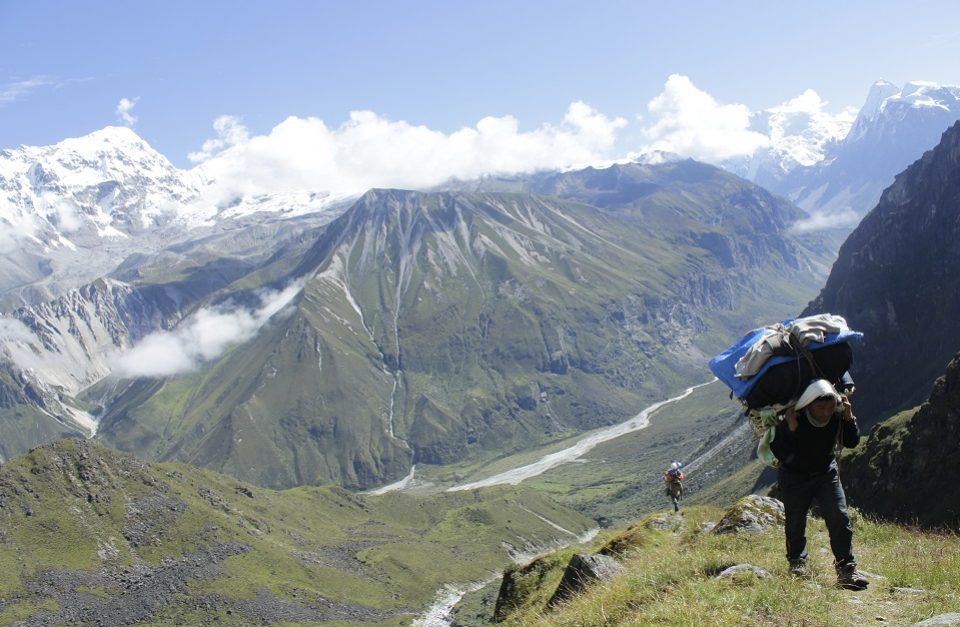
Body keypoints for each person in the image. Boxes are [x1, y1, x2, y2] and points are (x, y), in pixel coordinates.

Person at [769, 378, 869, 590]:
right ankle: (797, 563)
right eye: (820, 407)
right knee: (795, 522)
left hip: (826, 472)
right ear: (808, 404)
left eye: (830, 406)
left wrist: (849, 418)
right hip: (795, 476)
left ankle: (847, 570)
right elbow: (779, 452)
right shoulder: (793, 417)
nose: (825, 412)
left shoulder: (837, 416)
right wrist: (791, 429)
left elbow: (851, 442)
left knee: (839, 517)